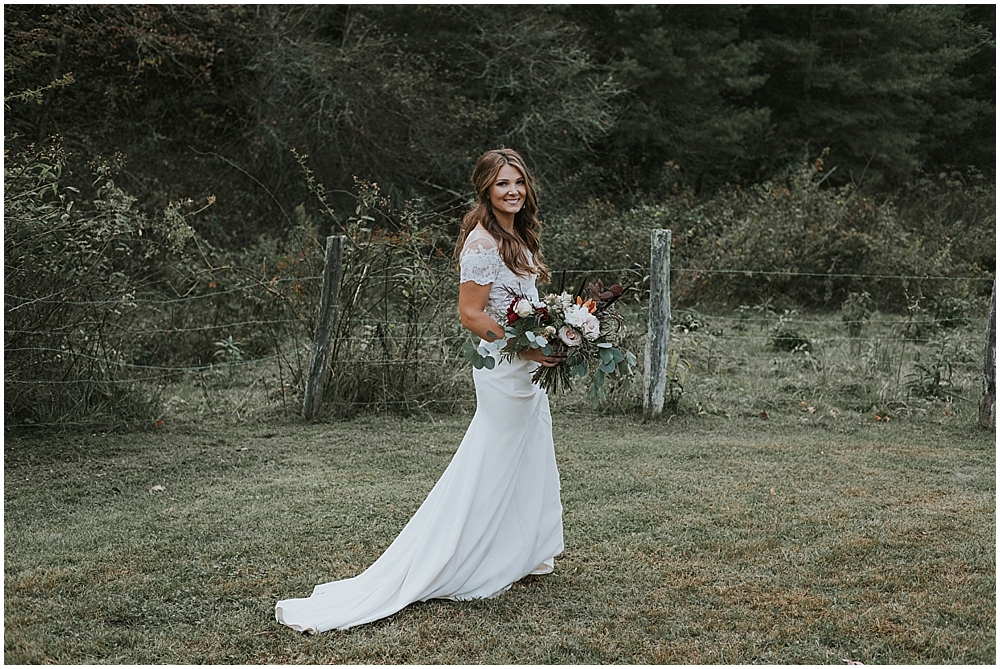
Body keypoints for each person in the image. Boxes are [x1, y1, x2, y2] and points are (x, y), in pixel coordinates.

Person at [275, 148, 566, 633]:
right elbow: (471, 314)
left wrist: (554, 333)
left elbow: (525, 301)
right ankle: (464, 559)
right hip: (505, 366)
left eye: (518, 182)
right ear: (485, 191)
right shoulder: (482, 242)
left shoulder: (519, 233)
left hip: (527, 367)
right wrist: (526, 348)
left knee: (530, 454)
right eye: (501, 184)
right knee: (492, 461)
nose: (512, 190)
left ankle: (521, 553)